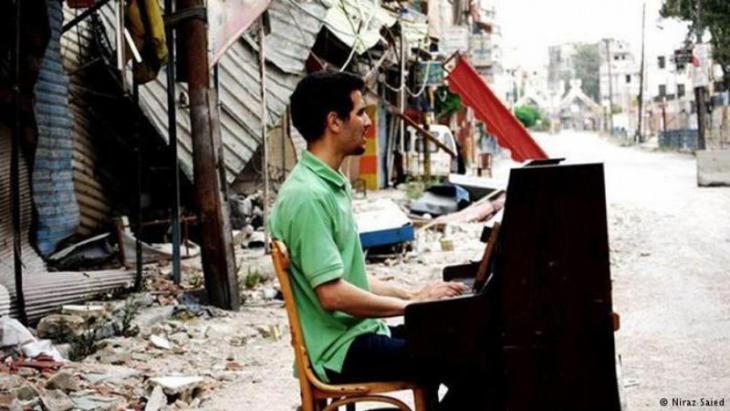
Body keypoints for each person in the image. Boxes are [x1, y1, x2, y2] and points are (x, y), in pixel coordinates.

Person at [269, 71, 468, 407]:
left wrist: (414, 295)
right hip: (340, 351)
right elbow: (332, 295)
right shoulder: (308, 197)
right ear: (334, 121)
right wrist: (412, 307)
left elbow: (348, 277)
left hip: (359, 335)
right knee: (472, 358)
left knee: (461, 337)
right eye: (360, 112)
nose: (367, 122)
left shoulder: (327, 185)